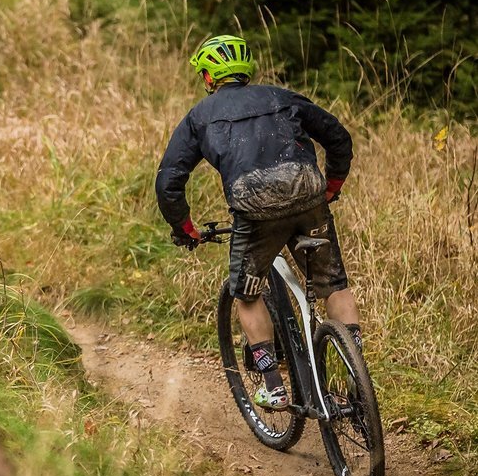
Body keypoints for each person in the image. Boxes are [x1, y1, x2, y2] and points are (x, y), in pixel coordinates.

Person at [155, 34, 362, 411]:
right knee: (333, 286)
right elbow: (338, 137)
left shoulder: (201, 115)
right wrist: (331, 186)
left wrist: (185, 229)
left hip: (255, 210)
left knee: (248, 294)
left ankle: (273, 386)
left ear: (208, 77)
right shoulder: (281, 97)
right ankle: (357, 376)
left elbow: (169, 181)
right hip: (308, 196)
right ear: (246, 70)